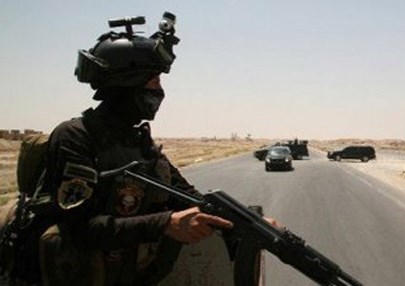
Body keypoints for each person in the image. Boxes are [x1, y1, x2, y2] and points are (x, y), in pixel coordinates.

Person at [8, 13, 236, 286]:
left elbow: (189, 198)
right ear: (126, 84)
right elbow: (80, 229)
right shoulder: (75, 136)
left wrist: (247, 222)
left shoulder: (141, 144)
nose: (159, 92)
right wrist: (165, 223)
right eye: (153, 82)